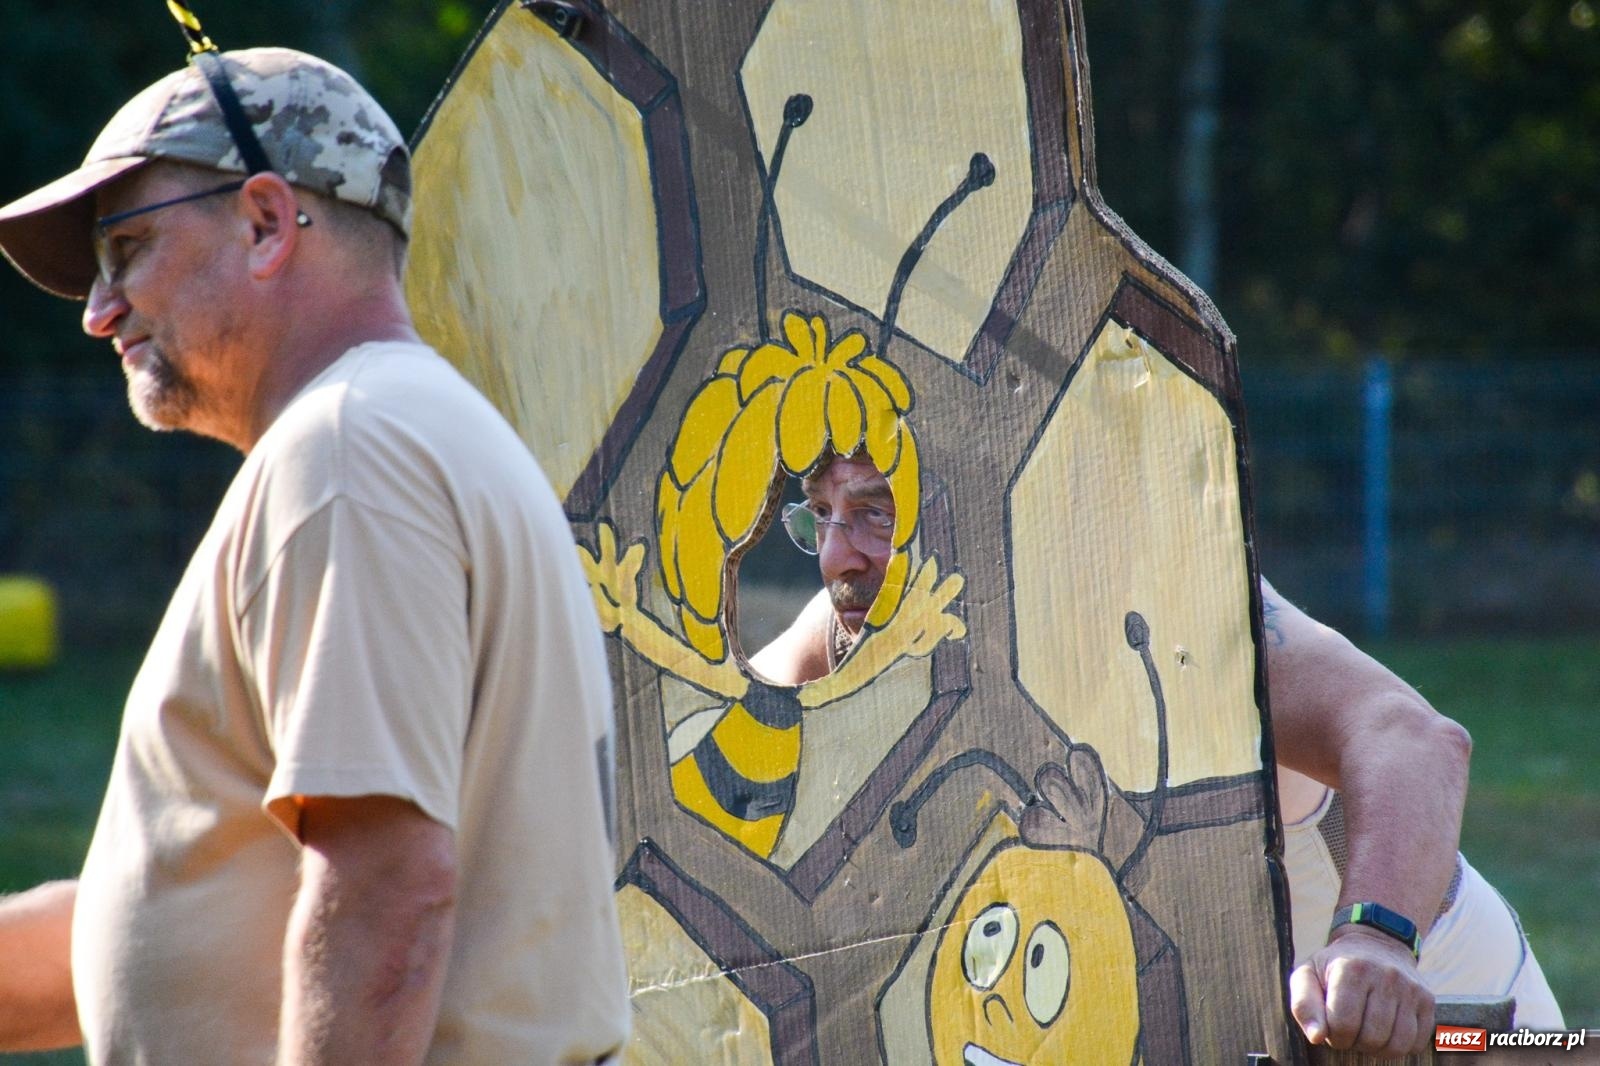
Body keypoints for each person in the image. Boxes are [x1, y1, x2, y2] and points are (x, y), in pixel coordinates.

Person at [0, 47, 629, 1065]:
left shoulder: (348, 449)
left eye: (128, 247)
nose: (98, 310)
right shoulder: (390, 430)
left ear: (262, 221)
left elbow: (386, 890)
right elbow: (204, 896)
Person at [754, 450, 1562, 1058]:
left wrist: (1375, 941)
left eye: (875, 514)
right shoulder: (847, 630)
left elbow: (1412, 739)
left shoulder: (1161, 603)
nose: (836, 557)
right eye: (820, 515)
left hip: (1450, 1013)